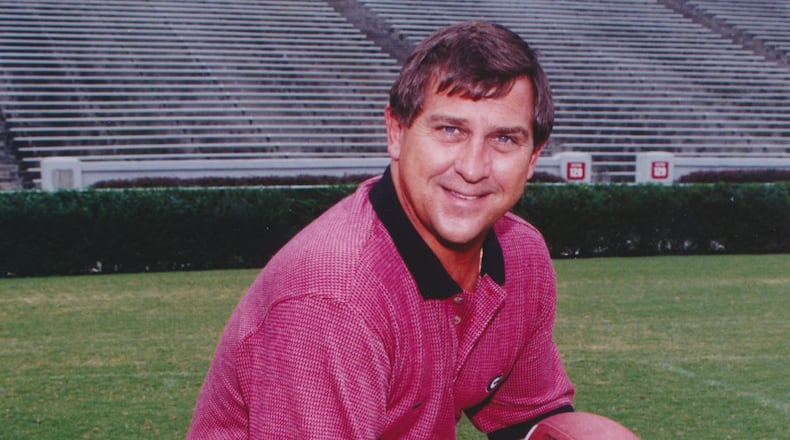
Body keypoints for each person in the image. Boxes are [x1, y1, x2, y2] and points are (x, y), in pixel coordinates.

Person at [188, 20, 574, 439]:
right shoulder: (334, 296)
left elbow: (526, 419)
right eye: (450, 130)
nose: (473, 167)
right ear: (396, 132)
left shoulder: (520, 254)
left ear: (533, 158)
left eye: (504, 139)